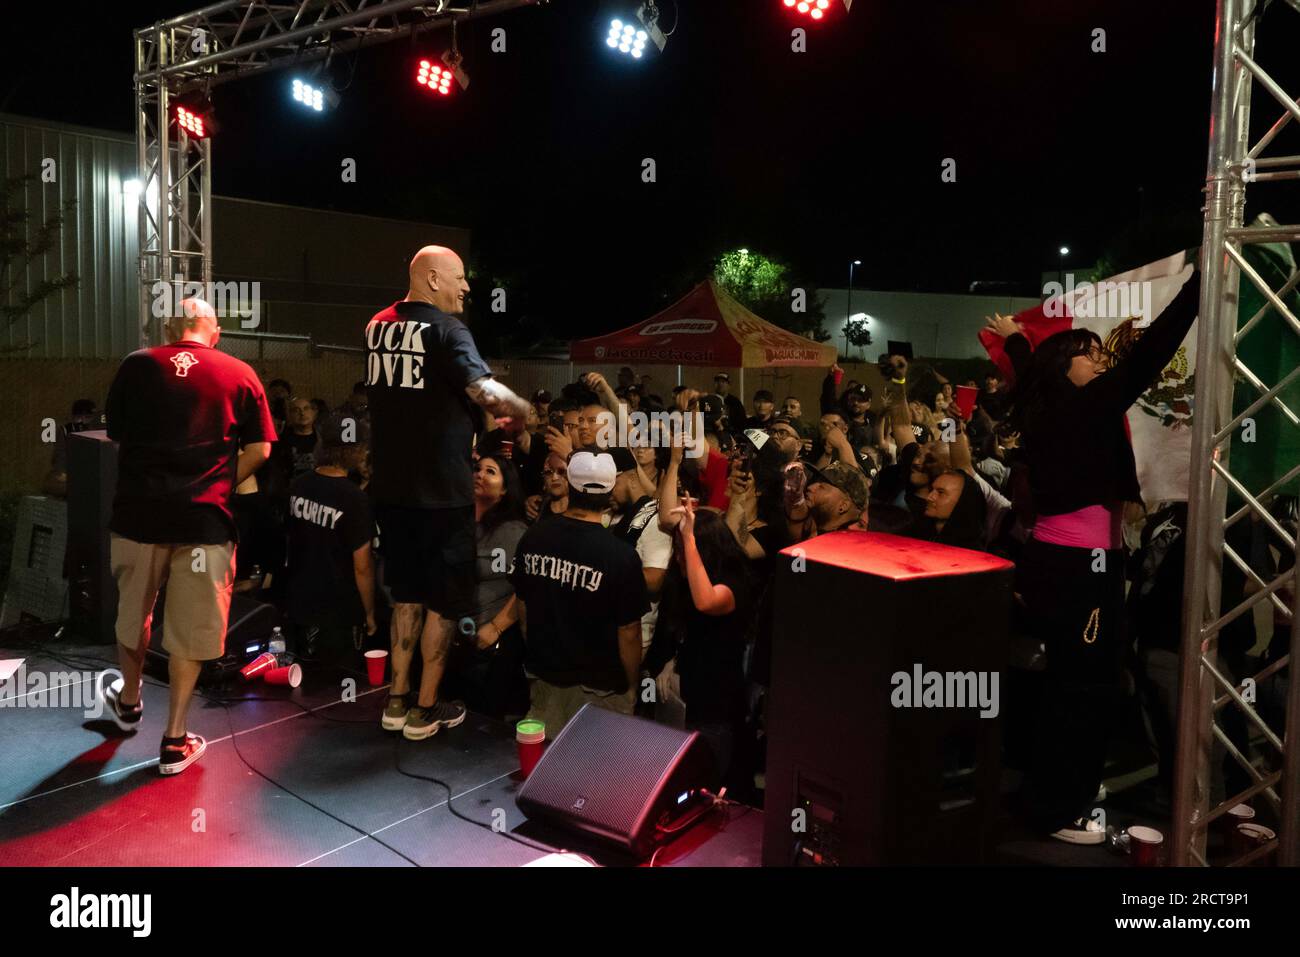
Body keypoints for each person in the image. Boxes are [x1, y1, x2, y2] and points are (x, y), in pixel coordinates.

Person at [989, 267, 1202, 844]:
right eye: (1087, 353)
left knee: (1078, 681)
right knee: (1083, 687)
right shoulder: (1081, 410)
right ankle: (1057, 808)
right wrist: (1198, 288)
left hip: (1071, 566)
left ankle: (1059, 789)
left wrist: (1016, 339)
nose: (1100, 359)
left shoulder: (1049, 410)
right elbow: (1150, 353)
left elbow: (1035, 370)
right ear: (1067, 370)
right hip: (1080, 572)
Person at [100, 298, 275, 775]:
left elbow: (116, 434)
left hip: (139, 517)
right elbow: (260, 448)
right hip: (204, 522)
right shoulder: (241, 373)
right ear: (213, 331)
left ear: (170, 327)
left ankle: (130, 701)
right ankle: (174, 739)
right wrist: (218, 481)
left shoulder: (137, 365)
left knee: (134, 613)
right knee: (190, 631)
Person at [367, 244, 530, 740]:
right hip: (442, 493)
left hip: (392, 492)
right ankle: (424, 709)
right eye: (459, 279)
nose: (466, 288)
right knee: (440, 601)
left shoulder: (376, 326)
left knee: (406, 596)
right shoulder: (447, 329)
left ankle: (394, 701)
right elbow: (484, 391)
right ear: (433, 279)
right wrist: (521, 410)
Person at [510, 452, 649, 738]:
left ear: (570, 486)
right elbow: (630, 632)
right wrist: (632, 686)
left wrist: (537, 651)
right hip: (601, 690)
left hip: (544, 677)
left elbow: (522, 608)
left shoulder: (534, 537)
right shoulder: (621, 556)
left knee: (546, 770)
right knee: (596, 775)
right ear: (609, 492)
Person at [645, 504, 750, 782]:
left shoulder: (733, 580)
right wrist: (671, 662)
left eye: (682, 550)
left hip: (716, 706)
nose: (677, 557)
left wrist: (689, 540)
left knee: (709, 781)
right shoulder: (680, 581)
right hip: (688, 702)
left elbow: (707, 602)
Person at [283, 416, 377, 663]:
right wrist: (369, 613)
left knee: (301, 680)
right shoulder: (354, 498)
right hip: (338, 611)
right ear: (355, 451)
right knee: (336, 685)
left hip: (298, 600)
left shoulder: (298, 485)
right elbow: (363, 566)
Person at [443, 454, 529, 719]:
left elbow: (524, 587)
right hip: (452, 638)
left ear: (504, 489)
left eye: (490, 472)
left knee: (483, 722)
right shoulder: (457, 522)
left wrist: (495, 628)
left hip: (491, 644)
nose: (480, 475)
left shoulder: (513, 531)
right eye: (477, 469)